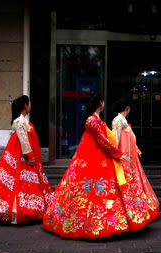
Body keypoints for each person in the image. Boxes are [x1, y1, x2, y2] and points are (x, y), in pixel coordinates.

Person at [44, 94, 145, 239]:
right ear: (101, 104)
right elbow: (103, 141)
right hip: (92, 157)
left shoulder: (95, 120)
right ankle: (89, 223)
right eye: (103, 102)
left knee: (94, 190)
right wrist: (117, 153)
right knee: (93, 190)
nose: (104, 104)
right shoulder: (92, 120)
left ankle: (96, 222)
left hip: (95, 156)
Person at [0, 95, 53, 224]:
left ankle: (16, 211)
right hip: (20, 155)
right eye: (30, 104)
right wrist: (30, 155)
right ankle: (15, 212)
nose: (30, 106)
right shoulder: (20, 121)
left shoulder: (20, 120)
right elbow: (24, 140)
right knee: (18, 182)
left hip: (16, 153)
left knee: (16, 182)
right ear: (26, 105)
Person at [111, 98, 160, 229]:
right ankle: (130, 213)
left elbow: (128, 138)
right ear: (127, 108)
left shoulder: (121, 120)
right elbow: (116, 139)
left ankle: (134, 212)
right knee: (129, 185)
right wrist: (117, 155)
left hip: (129, 159)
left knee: (133, 185)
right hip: (125, 160)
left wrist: (136, 149)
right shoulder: (118, 120)